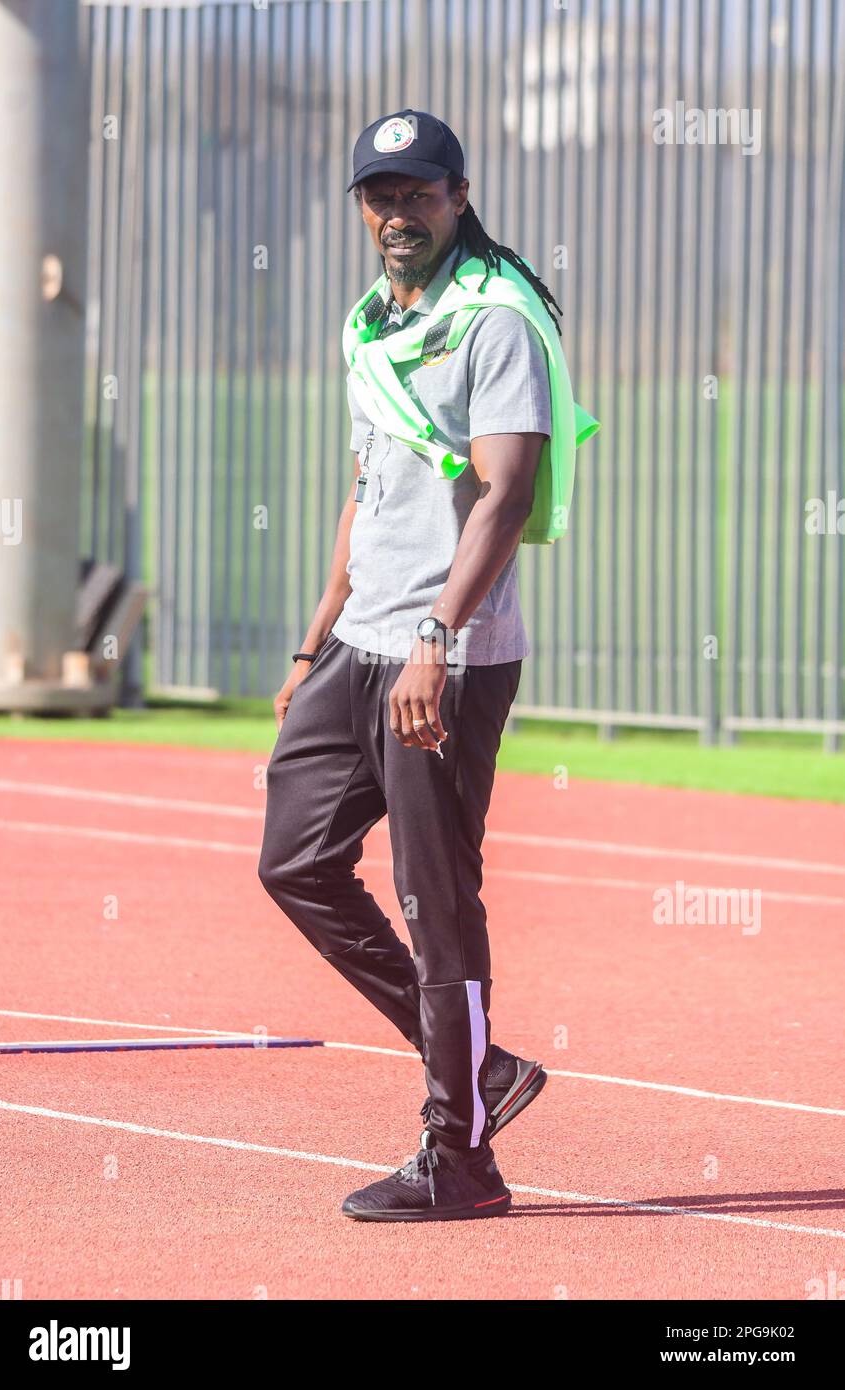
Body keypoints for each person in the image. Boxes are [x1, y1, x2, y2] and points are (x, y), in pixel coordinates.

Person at [259, 108, 596, 1222]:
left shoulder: (495, 318)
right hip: (355, 648)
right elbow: (366, 493)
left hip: (440, 658)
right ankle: (480, 1066)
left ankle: (461, 1160)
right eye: (378, 194)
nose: (395, 212)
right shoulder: (370, 322)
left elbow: (504, 494)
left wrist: (435, 641)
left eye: (415, 192)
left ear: (457, 194)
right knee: (296, 859)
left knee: (435, 903)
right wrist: (313, 642)